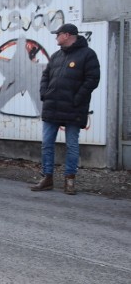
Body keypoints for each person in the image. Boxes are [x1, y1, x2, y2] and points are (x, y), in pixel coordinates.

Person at [30, 23, 100, 195]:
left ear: (67, 35)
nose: (56, 37)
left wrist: (77, 99)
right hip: (52, 106)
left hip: (74, 108)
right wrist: (44, 94)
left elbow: (92, 79)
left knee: (72, 145)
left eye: (58, 34)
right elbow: (45, 76)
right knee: (47, 144)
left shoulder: (88, 55)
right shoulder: (56, 56)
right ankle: (47, 178)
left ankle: (70, 180)